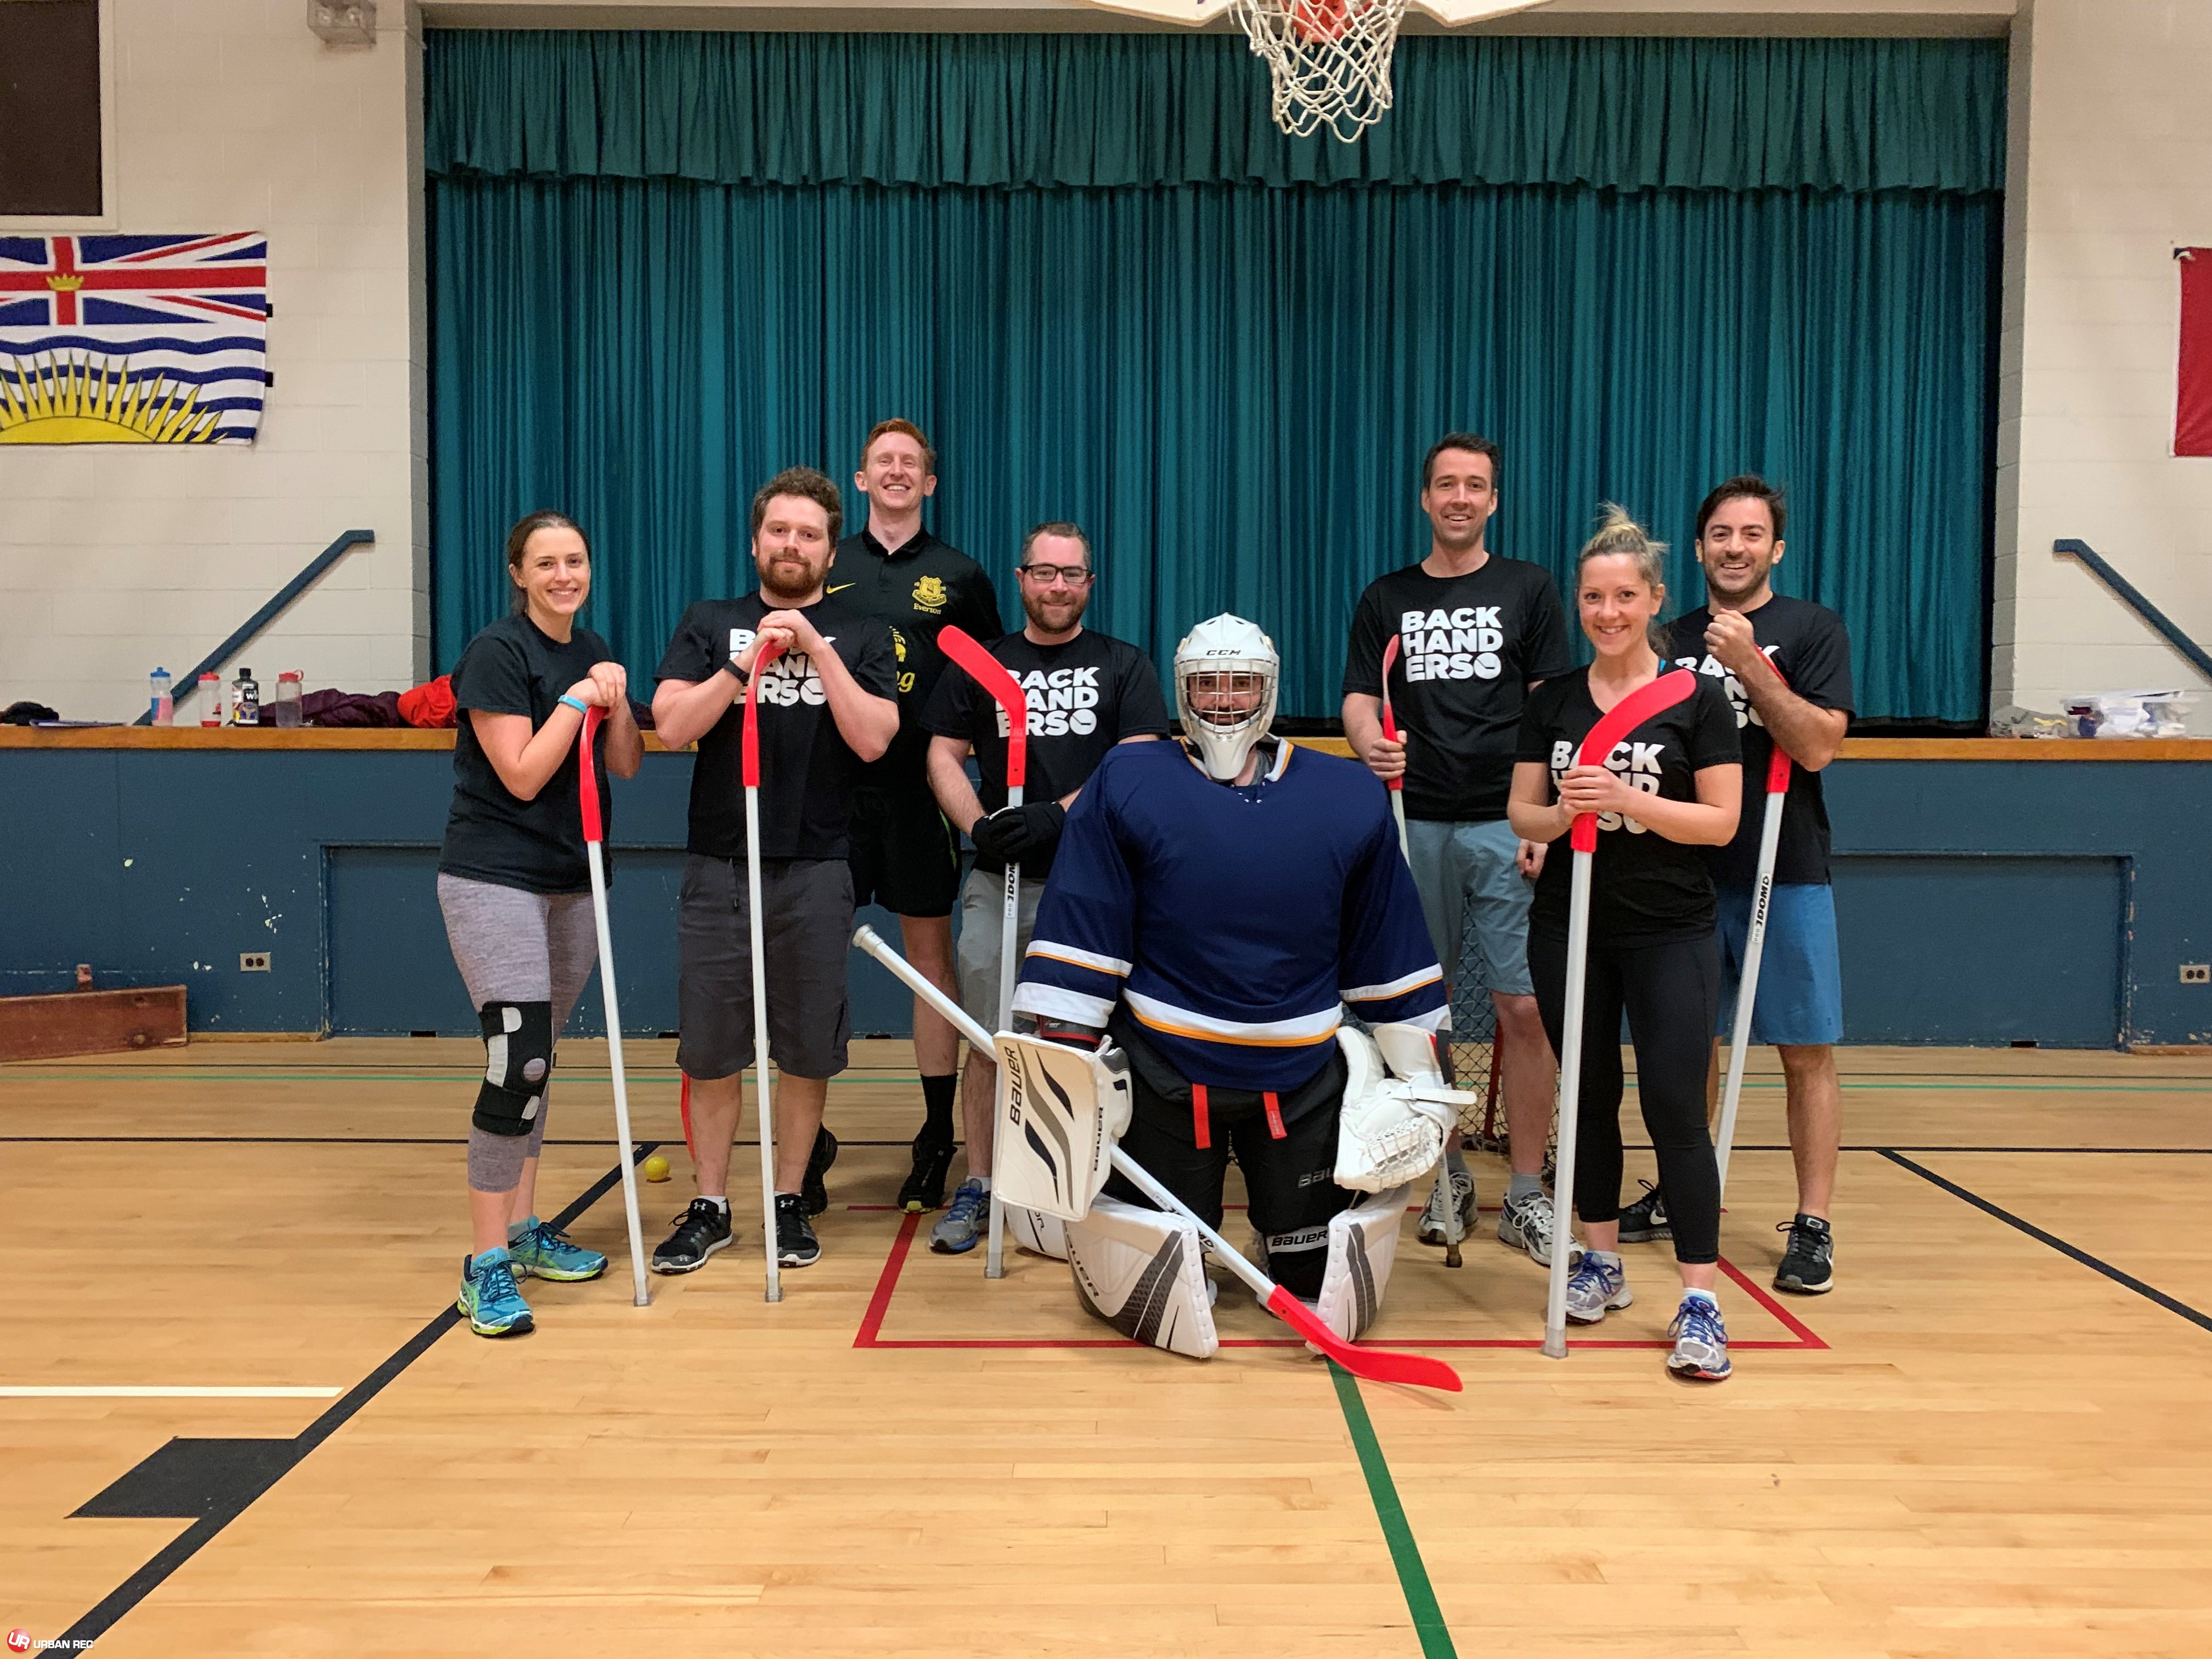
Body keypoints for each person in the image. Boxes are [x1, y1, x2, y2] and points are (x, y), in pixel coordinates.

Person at [1012, 616, 1458, 1359]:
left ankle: (1285, 1230)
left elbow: (1386, 942)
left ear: (1269, 690)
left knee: (1308, 1267)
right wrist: (1065, 1059)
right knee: (1170, 1248)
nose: (1223, 700)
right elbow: (1089, 916)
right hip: (1166, 1072)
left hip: (1304, 1075)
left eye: (1240, 683)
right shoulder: (1129, 779)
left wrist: (1421, 1079)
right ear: (1182, 692)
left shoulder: (1349, 794)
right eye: (1207, 684)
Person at [1508, 507, 1742, 1381]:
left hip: (1670, 930)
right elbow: (1523, 813)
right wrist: (1566, 812)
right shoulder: (1556, 700)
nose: (1608, 612)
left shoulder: (1697, 698)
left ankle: (1701, 1300)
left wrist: (1630, 801)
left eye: (1625, 597)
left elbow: (1720, 823)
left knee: (1675, 1110)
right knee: (1590, 1096)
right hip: (1571, 925)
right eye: (1593, 597)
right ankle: (1599, 1261)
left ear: (1654, 600)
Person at [650, 467, 900, 1273]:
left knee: (804, 1050)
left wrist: (815, 645)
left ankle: (789, 1199)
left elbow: (873, 739)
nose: (793, 545)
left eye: (810, 535)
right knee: (714, 1047)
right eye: (780, 532)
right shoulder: (710, 621)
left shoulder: (861, 633)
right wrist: (743, 665)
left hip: (817, 867)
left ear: (831, 551)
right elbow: (667, 727)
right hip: (721, 864)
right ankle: (713, 1203)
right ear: (757, 540)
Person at [1342, 432, 1573, 1265]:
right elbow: (1360, 700)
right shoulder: (1387, 597)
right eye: (1446, 485)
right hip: (1416, 824)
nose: (1460, 498)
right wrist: (1371, 743)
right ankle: (1444, 1181)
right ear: (1426, 498)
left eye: (1475, 486)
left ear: (1493, 501)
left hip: (1506, 823)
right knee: (1420, 1017)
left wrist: (1542, 812)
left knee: (1522, 1007)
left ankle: (1526, 1192)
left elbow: (1554, 709)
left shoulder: (1529, 588)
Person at [1625, 476, 1854, 1295]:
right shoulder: (1667, 637)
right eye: (1720, 534)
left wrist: (1751, 664)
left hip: (1784, 869)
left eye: (1751, 535)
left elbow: (1819, 745)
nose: (1734, 547)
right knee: (1689, 1051)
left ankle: (1814, 1223)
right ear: (1698, 548)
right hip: (1684, 874)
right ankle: (1685, 1188)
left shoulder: (1810, 629)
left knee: (1806, 1051)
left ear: (1775, 549)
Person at [918, 521, 1171, 1252]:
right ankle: (984, 1182)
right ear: (1023, 579)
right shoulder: (983, 661)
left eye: (1072, 575)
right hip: (1003, 881)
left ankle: (1092, 1182)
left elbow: (1138, 762)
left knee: (1098, 1040)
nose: (1057, 586)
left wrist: (1055, 817)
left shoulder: (1123, 665)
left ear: (1089, 585)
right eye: (1044, 573)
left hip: (1100, 886)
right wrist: (980, 824)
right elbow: (941, 751)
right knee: (992, 1039)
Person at [437, 510, 643, 1338]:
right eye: (547, 563)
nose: (565, 575)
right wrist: (573, 699)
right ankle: (483, 1264)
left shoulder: (589, 648)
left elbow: (623, 761)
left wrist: (616, 698)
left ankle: (522, 1230)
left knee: (540, 1058)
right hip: (494, 878)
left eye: (577, 560)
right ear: (518, 573)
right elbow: (521, 775)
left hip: (572, 882)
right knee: (515, 1058)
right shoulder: (497, 654)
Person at [832, 419, 1005, 1211]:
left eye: (911, 464)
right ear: (862, 480)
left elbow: (995, 688)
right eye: (883, 463)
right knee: (810, 965)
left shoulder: (961, 576)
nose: (897, 472)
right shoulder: (824, 560)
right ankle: (810, 1139)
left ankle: (936, 1135)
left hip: (917, 797)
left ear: (928, 484)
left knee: (930, 971)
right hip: (827, 795)